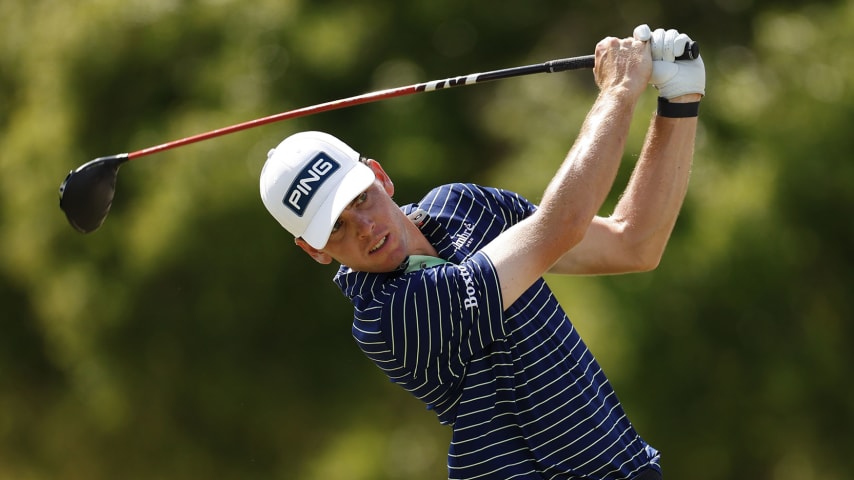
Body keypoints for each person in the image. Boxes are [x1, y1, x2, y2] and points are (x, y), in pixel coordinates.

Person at [259, 24, 704, 480]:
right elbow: (559, 227)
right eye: (336, 229)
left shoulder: (463, 204)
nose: (366, 227)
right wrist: (619, 91)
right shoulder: (389, 316)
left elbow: (633, 243)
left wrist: (680, 98)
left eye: (360, 198)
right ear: (314, 251)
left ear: (380, 176)